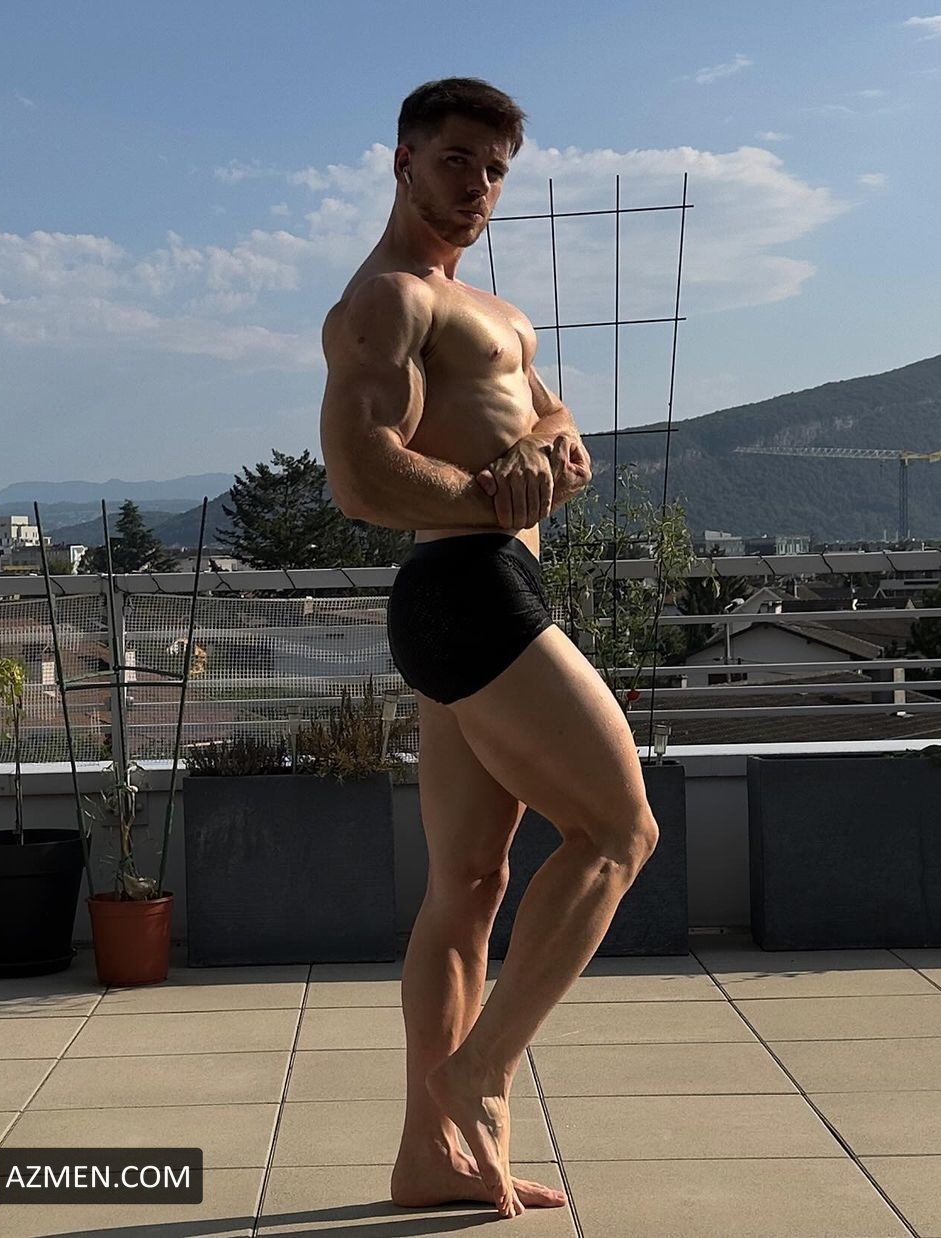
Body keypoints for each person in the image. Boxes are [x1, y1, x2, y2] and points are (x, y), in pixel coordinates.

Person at [320, 78, 660, 1221]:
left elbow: (558, 426)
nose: (478, 185)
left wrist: (541, 454)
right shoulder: (388, 300)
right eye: (457, 160)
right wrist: (494, 494)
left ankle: (430, 1155)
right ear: (403, 162)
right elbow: (360, 472)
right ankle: (480, 1071)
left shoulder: (499, 315)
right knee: (619, 827)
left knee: (468, 885)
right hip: (466, 589)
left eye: (496, 170)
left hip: (477, 589)